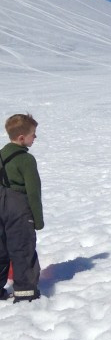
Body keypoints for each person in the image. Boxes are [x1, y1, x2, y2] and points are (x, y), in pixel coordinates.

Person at [0, 113, 43, 303]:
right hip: (18, 207)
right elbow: (33, 192)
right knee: (22, 248)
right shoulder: (27, 160)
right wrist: (38, 220)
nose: (35, 137)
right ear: (21, 138)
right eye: (33, 134)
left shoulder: (1, 155)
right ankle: (25, 293)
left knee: (1, 249)